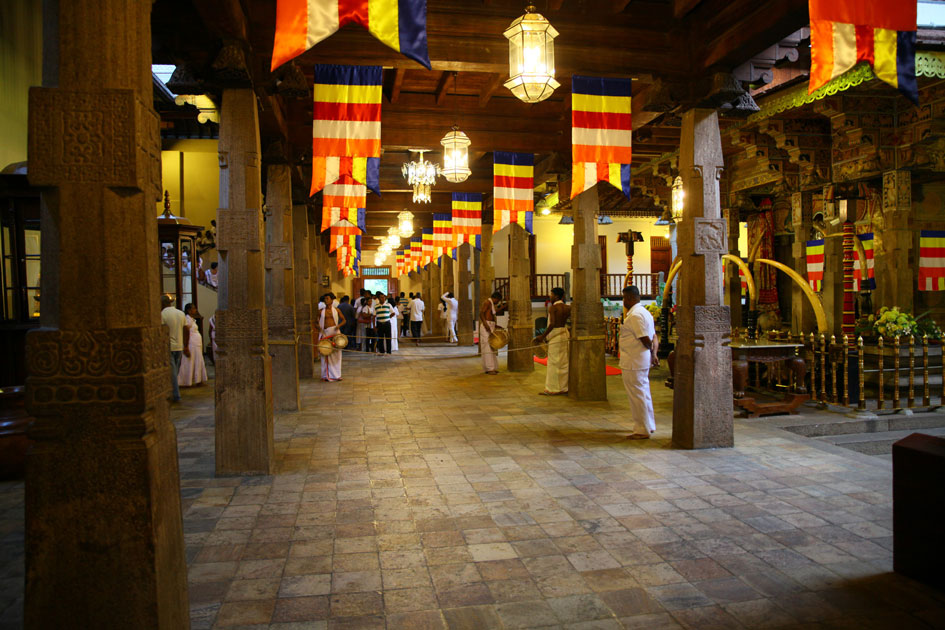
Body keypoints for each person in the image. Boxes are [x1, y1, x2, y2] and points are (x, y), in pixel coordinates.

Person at [620, 285, 659, 439]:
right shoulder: (645, 313)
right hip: (638, 360)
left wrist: (652, 352)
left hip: (634, 361)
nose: (623, 301)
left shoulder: (636, 315)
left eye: (624, 298)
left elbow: (645, 338)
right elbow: (654, 336)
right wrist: (654, 354)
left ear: (630, 298)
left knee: (637, 395)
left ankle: (642, 429)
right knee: (643, 392)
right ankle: (649, 425)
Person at [536, 287, 570, 395]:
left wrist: (543, 336)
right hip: (564, 334)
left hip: (555, 335)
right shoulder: (567, 307)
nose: (550, 297)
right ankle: (564, 388)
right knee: (564, 363)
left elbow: (552, 324)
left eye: (551, 295)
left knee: (553, 363)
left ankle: (552, 389)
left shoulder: (553, 308)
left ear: (556, 296)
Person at [160, 294, 186, 402]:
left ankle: (176, 395)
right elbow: (185, 329)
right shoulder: (180, 313)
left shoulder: (162, 314)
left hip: (169, 346)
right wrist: (185, 344)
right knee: (175, 370)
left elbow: (161, 331)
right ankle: (173, 391)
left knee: (172, 372)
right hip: (179, 345)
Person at [315, 293, 346, 381]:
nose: (326, 300)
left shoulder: (337, 310)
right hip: (325, 333)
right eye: (325, 299)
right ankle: (325, 375)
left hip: (335, 332)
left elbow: (344, 320)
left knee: (336, 354)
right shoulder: (321, 311)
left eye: (327, 298)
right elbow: (315, 322)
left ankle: (336, 375)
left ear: (332, 300)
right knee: (325, 353)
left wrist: (338, 326)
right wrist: (320, 328)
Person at [178, 303, 208, 386]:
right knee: (190, 361)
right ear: (189, 310)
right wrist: (186, 346)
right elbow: (186, 330)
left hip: (196, 344)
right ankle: (186, 380)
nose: (195, 310)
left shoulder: (192, 319)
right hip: (191, 344)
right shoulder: (187, 319)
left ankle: (198, 379)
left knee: (198, 361)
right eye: (193, 308)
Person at [479, 291, 507, 375]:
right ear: (495, 298)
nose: (498, 302)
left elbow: (492, 314)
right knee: (487, 346)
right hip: (486, 325)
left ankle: (493, 367)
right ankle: (489, 368)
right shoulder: (487, 302)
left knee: (492, 346)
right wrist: (485, 324)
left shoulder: (491, 304)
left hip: (490, 325)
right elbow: (481, 313)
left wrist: (496, 326)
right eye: (498, 300)